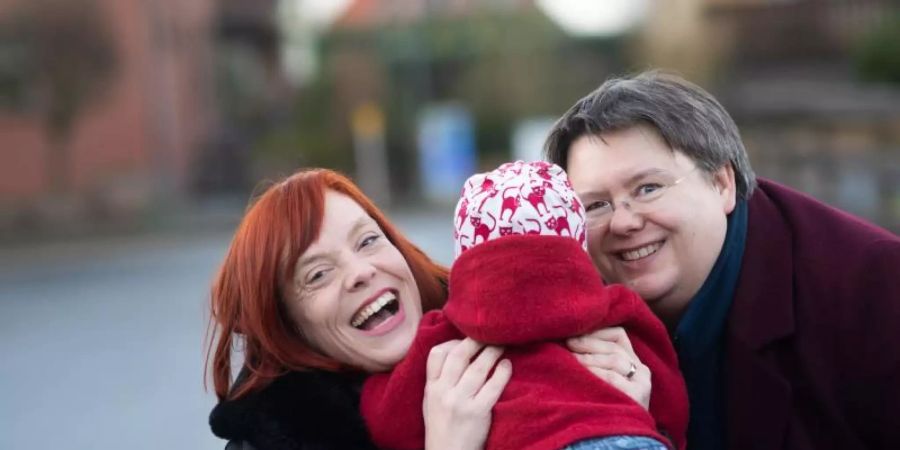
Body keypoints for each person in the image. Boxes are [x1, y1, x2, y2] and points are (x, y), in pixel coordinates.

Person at [544, 70, 900, 450]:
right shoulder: (561, 323)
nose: (624, 222)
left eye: (648, 189)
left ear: (722, 183)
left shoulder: (874, 290)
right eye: (595, 205)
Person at [206, 168, 653, 449]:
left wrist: (630, 408)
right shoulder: (274, 436)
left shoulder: (505, 319)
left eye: (367, 240)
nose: (360, 271)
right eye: (317, 274)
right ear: (287, 325)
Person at [361, 161, 688, 450]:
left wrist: (373, 390)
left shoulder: (445, 336)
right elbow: (670, 393)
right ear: (577, 244)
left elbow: (392, 421)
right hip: (626, 435)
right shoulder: (616, 309)